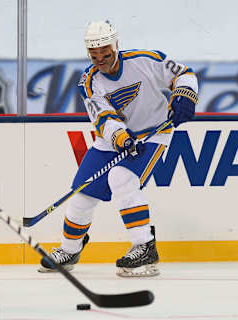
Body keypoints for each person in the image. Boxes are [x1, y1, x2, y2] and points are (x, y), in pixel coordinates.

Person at [38, 20, 198, 277]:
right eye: (94, 54)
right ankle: (69, 250)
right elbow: (103, 118)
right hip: (111, 141)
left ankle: (144, 247)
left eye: (105, 52)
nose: (100, 58)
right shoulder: (89, 81)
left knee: (122, 177)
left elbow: (184, 73)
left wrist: (185, 94)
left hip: (152, 135)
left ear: (116, 45)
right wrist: (121, 138)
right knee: (81, 195)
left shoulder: (146, 59)